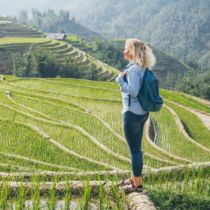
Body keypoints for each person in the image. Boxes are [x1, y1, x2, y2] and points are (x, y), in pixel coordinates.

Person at [115, 38, 157, 193]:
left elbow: (133, 91)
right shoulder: (142, 68)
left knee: (135, 151)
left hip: (131, 114)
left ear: (131, 50)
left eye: (126, 48)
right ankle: (133, 179)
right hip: (142, 113)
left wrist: (120, 80)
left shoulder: (133, 70)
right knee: (137, 149)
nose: (124, 51)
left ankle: (137, 185)